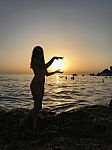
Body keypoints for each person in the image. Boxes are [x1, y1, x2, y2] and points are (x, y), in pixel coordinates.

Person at [29, 46, 63, 129]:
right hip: (35, 85)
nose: (39, 54)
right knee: (38, 106)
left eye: (40, 52)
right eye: (37, 52)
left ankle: (26, 121)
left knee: (38, 106)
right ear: (34, 53)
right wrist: (54, 58)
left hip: (41, 86)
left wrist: (56, 72)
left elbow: (46, 74)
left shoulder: (41, 63)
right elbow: (46, 66)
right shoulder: (35, 61)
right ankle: (34, 125)